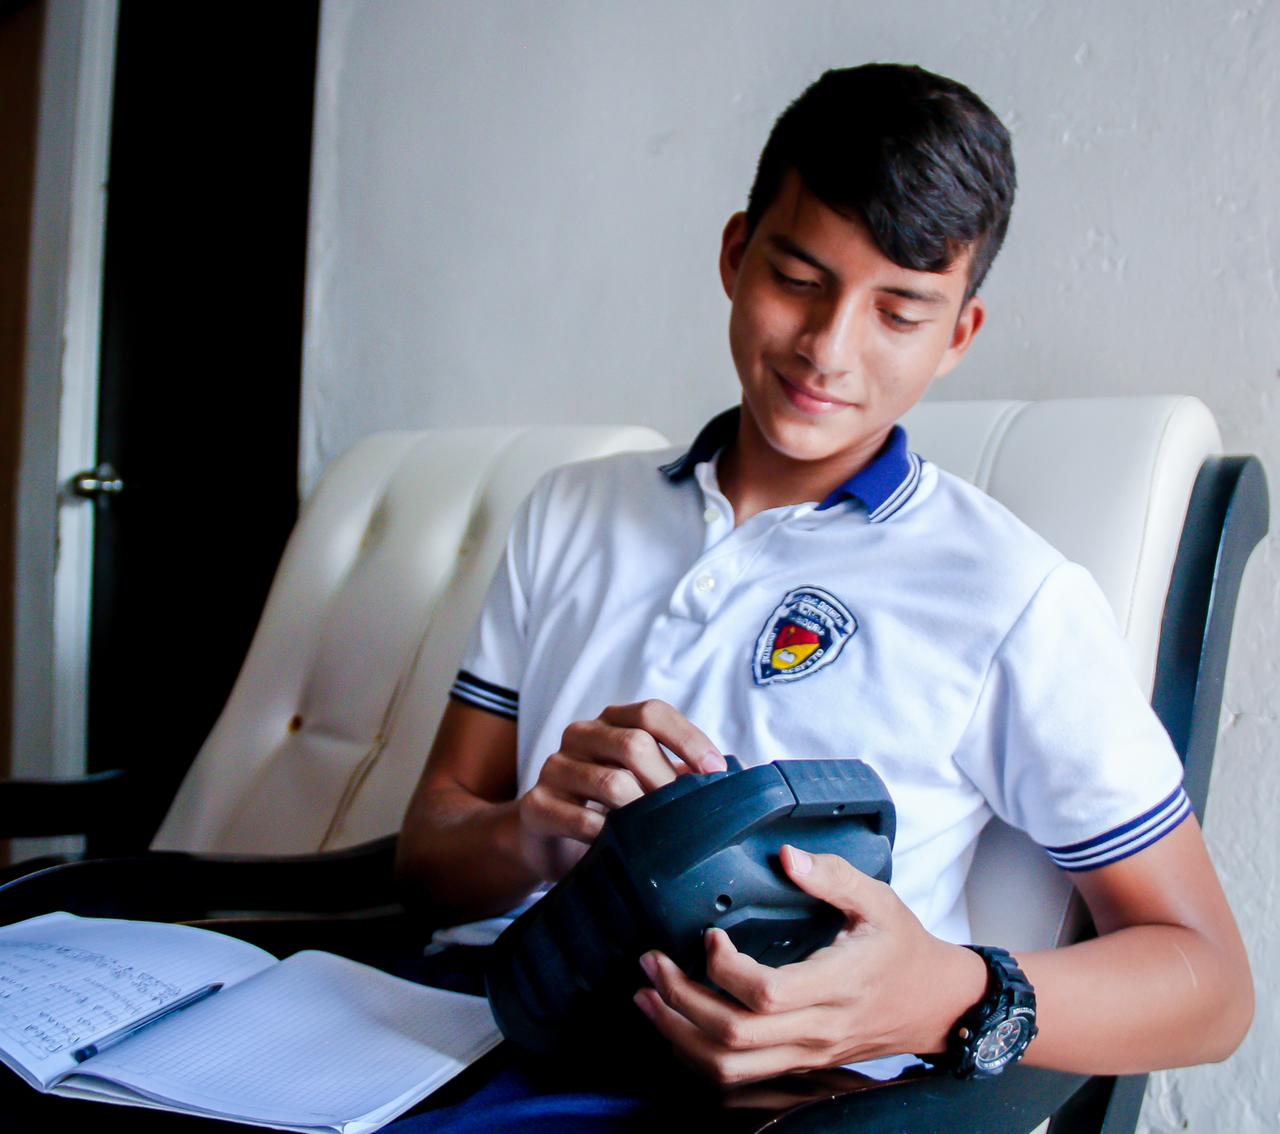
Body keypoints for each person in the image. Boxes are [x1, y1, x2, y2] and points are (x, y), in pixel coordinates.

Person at [396, 63, 1253, 1094]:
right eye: (797, 280)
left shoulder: (1010, 596)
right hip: (445, 1023)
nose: (825, 349)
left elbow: (1210, 987)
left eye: (898, 311)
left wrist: (940, 992)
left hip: (726, 1097)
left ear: (957, 336)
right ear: (733, 253)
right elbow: (426, 860)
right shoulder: (569, 511)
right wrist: (526, 832)